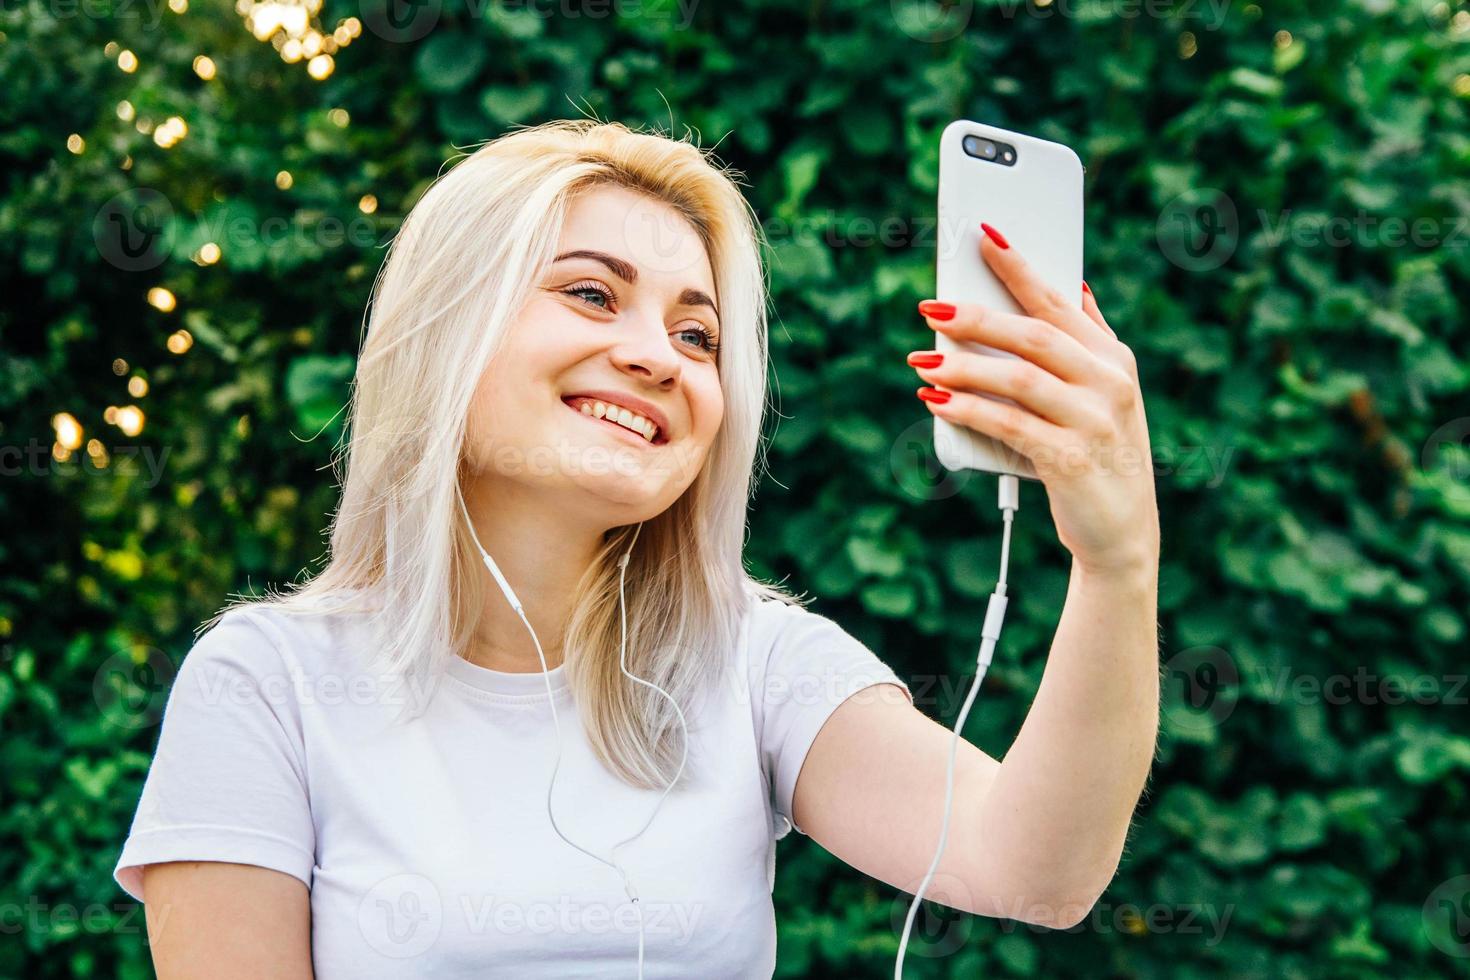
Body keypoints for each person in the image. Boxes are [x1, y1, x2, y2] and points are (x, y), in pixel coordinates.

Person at [114, 119, 1161, 977]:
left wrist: (1118, 564)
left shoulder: (757, 661)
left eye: (697, 334)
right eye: (590, 292)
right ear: (445, 329)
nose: (655, 355)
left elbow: (1038, 869)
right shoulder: (266, 683)